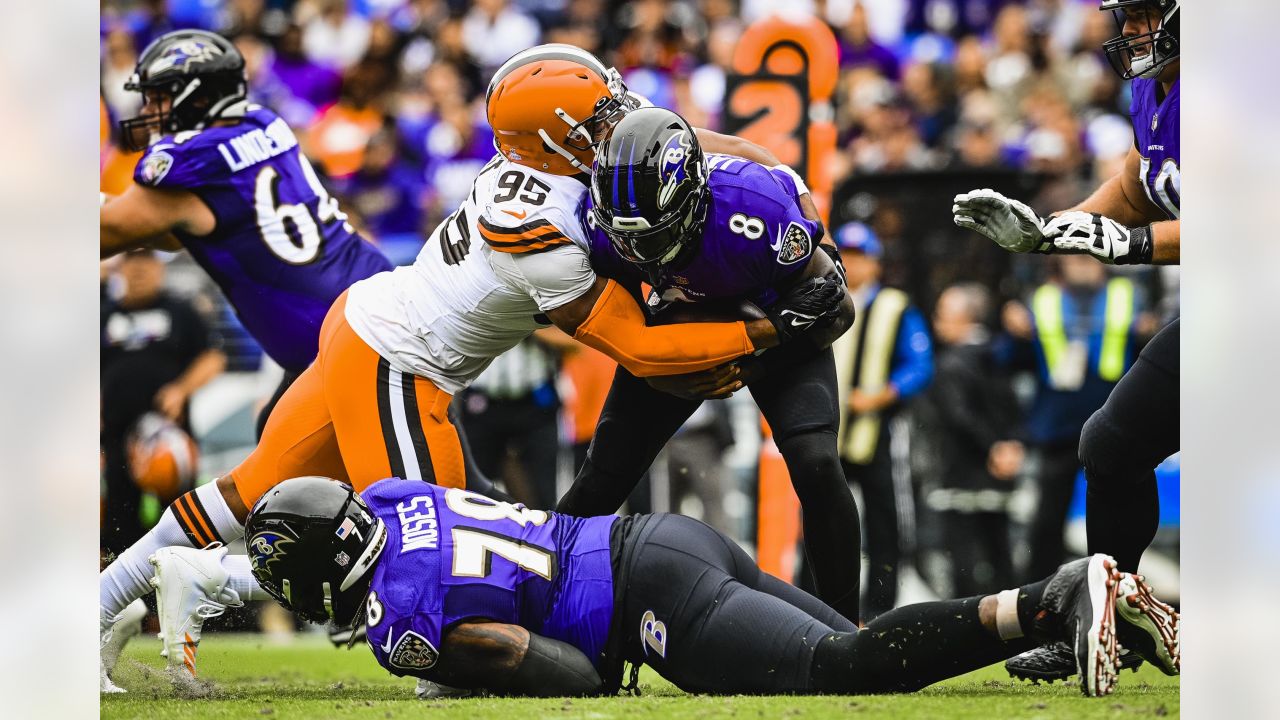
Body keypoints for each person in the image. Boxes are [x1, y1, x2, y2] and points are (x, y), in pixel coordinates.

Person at [98, 43, 845, 686]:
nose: (616, 123)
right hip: (400, 361)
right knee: (439, 561)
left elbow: (704, 144)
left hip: (368, 321)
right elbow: (643, 348)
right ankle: (210, 581)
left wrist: (789, 183)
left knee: (240, 494)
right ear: (553, 143)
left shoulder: (555, 159)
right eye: (597, 120)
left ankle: (98, 604)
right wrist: (768, 332)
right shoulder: (542, 220)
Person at [240, 475, 1180, 698]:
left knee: (841, 668)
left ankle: (1057, 597)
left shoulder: (400, 617)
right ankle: (1098, 611)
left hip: (645, 600)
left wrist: (454, 674)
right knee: (871, 655)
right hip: (664, 536)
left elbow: (571, 677)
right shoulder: (388, 497)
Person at [555, 107, 862, 623]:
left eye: (654, 233)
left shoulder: (754, 209)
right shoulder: (598, 222)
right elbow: (608, 328)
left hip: (771, 321)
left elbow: (836, 308)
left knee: (815, 461)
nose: (640, 249)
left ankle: (845, 626)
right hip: (676, 324)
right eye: (628, 236)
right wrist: (658, 369)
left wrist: (751, 359)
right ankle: (527, 602)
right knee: (602, 479)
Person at [951, 0, 1180, 683]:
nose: (1133, 31)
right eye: (1129, 16)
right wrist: (1052, 229)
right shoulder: (1153, 90)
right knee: (1110, 448)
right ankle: (1112, 622)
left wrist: (1131, 246)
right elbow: (1141, 189)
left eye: (1148, 15)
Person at [98, 29, 393, 442]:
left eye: (160, 96)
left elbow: (107, 233)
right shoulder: (261, 121)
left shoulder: (192, 164)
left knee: (419, 490)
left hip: (356, 342)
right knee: (276, 447)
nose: (149, 109)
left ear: (198, 98)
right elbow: (173, 232)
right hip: (355, 317)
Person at [1004, 256, 1146, 583]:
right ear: (1060, 262)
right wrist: (1014, 332)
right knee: (1047, 521)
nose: (1082, 264)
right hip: (1060, 428)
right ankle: (1039, 597)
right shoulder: (1043, 299)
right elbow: (1010, 361)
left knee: (1118, 520)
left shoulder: (1127, 295)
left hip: (1114, 427)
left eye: (1089, 256)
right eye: (1075, 256)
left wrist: (1149, 328)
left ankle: (1116, 590)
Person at [830, 221, 933, 618]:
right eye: (847, 256)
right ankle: (820, 605)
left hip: (878, 431)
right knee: (826, 523)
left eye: (861, 257)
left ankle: (879, 612)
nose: (853, 265)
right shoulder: (823, 298)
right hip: (829, 434)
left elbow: (920, 364)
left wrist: (886, 393)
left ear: (875, 264)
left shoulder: (895, 306)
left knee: (884, 523)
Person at [101, 250, 226, 553]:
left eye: (147, 261)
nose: (140, 269)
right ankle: (129, 594)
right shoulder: (103, 314)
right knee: (121, 521)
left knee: (180, 521)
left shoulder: (179, 311)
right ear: (121, 267)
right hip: (117, 436)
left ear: (159, 267)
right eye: (132, 260)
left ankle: (185, 583)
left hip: (169, 435)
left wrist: (180, 389)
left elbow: (213, 357)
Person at [928, 283, 1022, 598]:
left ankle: (967, 632)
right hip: (1001, 472)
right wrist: (1008, 447)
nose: (937, 322)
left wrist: (991, 448)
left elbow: (958, 417)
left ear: (964, 318)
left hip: (963, 475)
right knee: (1000, 553)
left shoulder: (951, 363)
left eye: (942, 314)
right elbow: (1015, 405)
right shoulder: (1000, 356)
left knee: (964, 559)